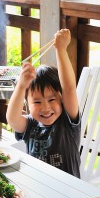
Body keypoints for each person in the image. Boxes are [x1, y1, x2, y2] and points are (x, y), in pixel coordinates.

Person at [6, 29, 81, 177]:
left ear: (61, 98)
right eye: (37, 101)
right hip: (38, 188)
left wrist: (61, 50)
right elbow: (12, 119)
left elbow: (70, 88)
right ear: (27, 104)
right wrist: (21, 86)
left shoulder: (67, 121)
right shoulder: (30, 125)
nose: (45, 108)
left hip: (69, 190)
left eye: (52, 99)